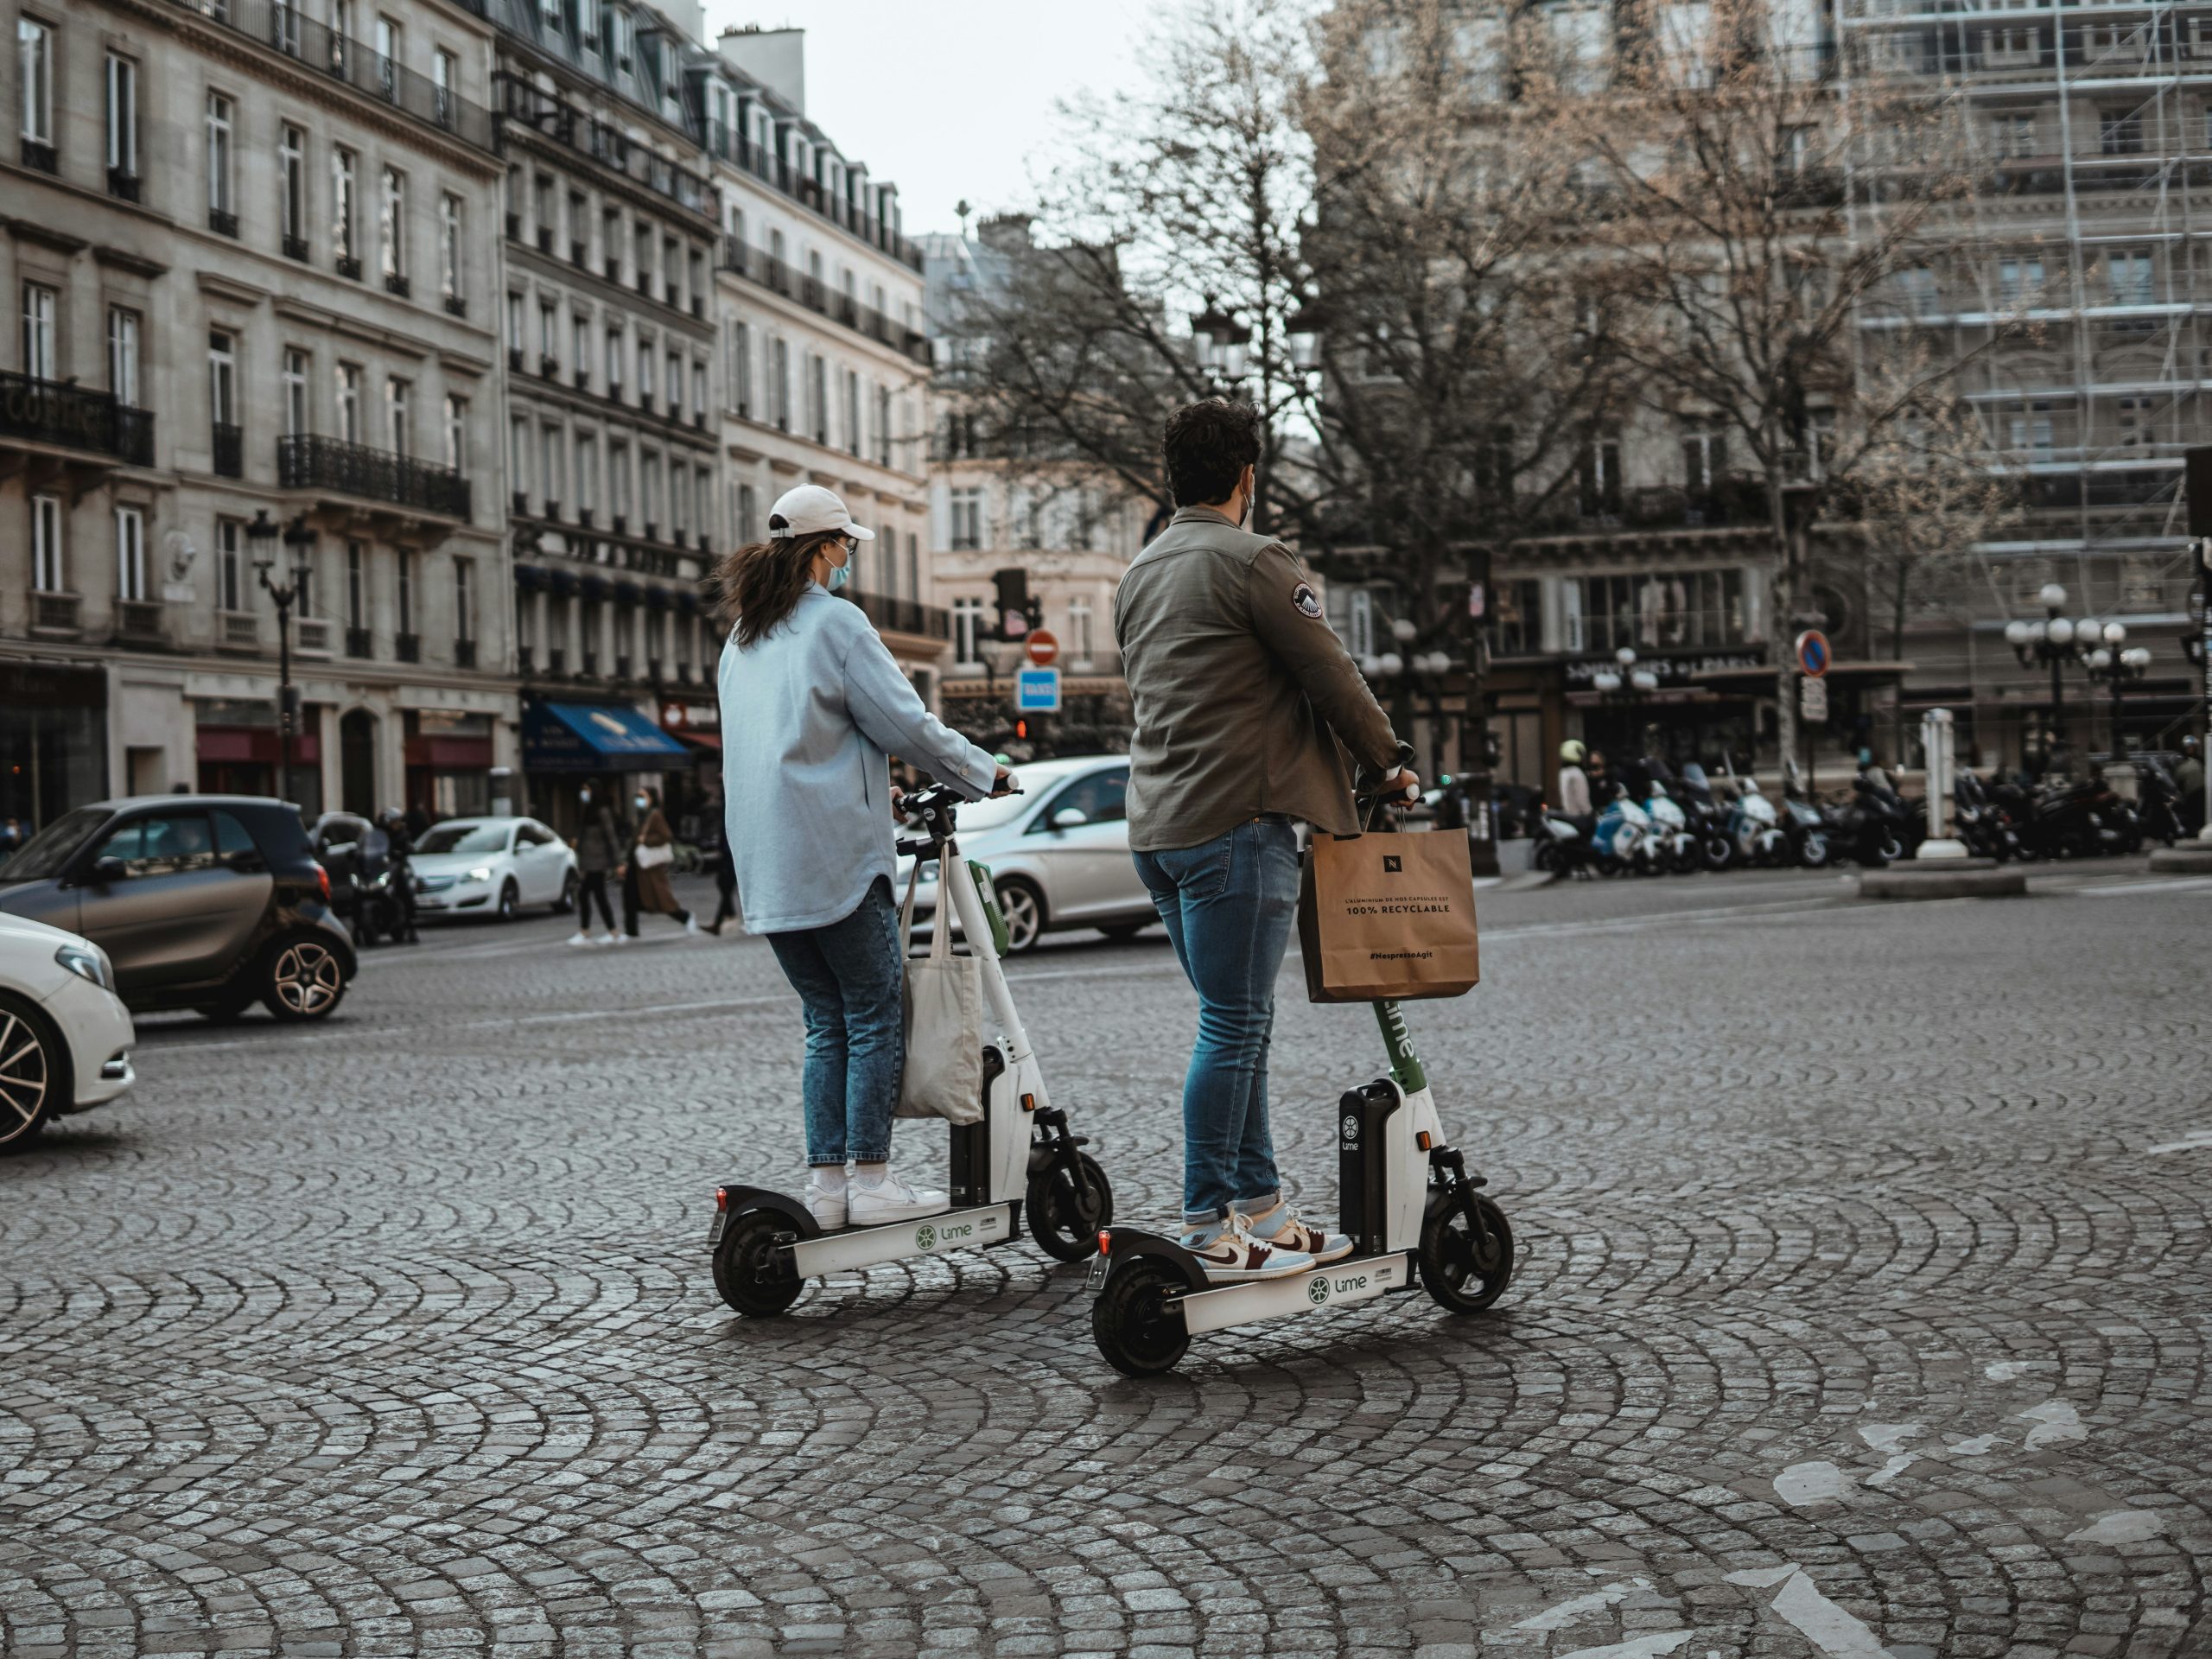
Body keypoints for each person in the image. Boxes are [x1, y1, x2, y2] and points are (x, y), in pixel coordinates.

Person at [1116, 397, 1418, 1283]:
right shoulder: (1254, 561)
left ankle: (1264, 1211)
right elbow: (1332, 675)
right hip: (1235, 824)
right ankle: (1209, 1219)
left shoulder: (1141, 571)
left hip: (1160, 830)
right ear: (1249, 476)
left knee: (1235, 1025)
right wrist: (1389, 762)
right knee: (1235, 1024)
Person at [718, 482, 1010, 1230]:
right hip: (833, 857)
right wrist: (986, 772)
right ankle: (874, 1180)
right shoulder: (836, 625)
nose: (850, 559)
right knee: (876, 1012)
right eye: (846, 545)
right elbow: (904, 725)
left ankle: (828, 1186)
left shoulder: (743, 637)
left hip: (768, 865)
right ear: (823, 549)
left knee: (826, 1020)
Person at [620, 785, 695, 938]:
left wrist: (646, 840)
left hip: (649, 868)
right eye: (637, 797)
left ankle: (685, 917)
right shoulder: (641, 816)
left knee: (662, 900)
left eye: (642, 797)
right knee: (629, 898)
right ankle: (631, 931)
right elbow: (633, 842)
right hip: (637, 865)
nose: (638, 800)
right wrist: (626, 862)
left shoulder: (654, 815)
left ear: (651, 799)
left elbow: (666, 836)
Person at [569, 779, 624, 945]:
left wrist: (618, 862)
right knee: (594, 896)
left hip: (598, 861)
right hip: (588, 861)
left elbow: (611, 837)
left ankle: (593, 931)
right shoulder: (586, 810)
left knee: (588, 895)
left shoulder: (602, 811)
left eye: (587, 789)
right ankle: (608, 930)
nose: (584, 793)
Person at [1556, 739, 1593, 833]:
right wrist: (1590, 813)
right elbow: (1582, 799)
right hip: (1579, 817)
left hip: (1568, 814)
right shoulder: (1577, 773)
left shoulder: (1563, 772)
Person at [705, 836, 740, 935]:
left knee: (726, 890)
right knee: (725, 890)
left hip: (730, 859)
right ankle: (728, 916)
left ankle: (722, 921)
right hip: (727, 858)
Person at [2177, 736, 2205, 836]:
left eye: (2191, 747)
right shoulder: (2181, 761)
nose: (2190, 749)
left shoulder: (2200, 760)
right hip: (2189, 792)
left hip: (2200, 790)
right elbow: (2178, 779)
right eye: (2188, 747)